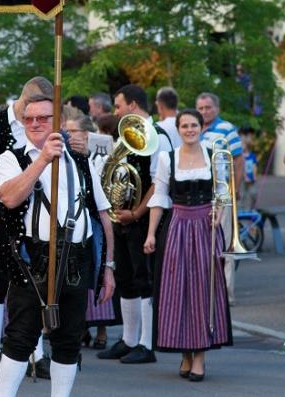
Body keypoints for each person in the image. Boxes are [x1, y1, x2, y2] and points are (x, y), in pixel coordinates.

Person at [0, 94, 115, 397]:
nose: (36, 124)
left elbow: (101, 215)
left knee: (69, 338)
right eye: (30, 118)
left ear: (58, 122)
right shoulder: (13, 158)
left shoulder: (82, 161)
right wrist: (43, 158)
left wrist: (109, 267)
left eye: (44, 118)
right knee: (21, 336)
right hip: (32, 259)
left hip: (76, 259)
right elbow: (9, 197)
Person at [0, 77, 53, 381]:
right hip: (6, 213)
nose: (34, 118)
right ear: (22, 100)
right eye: (29, 110)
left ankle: (38, 353)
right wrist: (15, 182)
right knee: (0, 280)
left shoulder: (41, 123)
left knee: (40, 281)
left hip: (42, 216)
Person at [143, 109, 233, 382]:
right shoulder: (166, 158)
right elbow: (159, 198)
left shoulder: (211, 154)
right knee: (178, 289)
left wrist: (220, 214)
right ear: (179, 129)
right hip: (179, 226)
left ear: (201, 127)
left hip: (206, 227)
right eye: (185, 126)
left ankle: (200, 358)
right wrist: (150, 235)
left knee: (204, 290)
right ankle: (185, 352)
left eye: (194, 125)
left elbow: (223, 192)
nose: (190, 129)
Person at [100, 85, 173, 365]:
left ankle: (146, 343)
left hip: (143, 219)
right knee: (126, 279)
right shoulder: (125, 135)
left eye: (118, 106)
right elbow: (116, 174)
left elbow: (158, 182)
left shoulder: (159, 137)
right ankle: (129, 339)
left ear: (132, 105)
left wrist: (138, 212)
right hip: (124, 219)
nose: (115, 112)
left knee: (145, 280)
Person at [63, 114, 119, 350]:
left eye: (72, 131)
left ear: (86, 134)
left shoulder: (100, 152)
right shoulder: (68, 154)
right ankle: (78, 328)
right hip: (76, 218)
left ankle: (102, 330)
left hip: (95, 216)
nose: (69, 135)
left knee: (95, 270)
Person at [195, 92, 243, 304]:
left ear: (217, 108)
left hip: (223, 196)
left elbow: (238, 160)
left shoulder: (227, 128)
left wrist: (235, 190)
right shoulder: (195, 129)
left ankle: (227, 293)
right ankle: (208, 292)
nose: (204, 111)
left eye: (208, 107)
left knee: (225, 245)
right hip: (201, 196)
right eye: (201, 108)